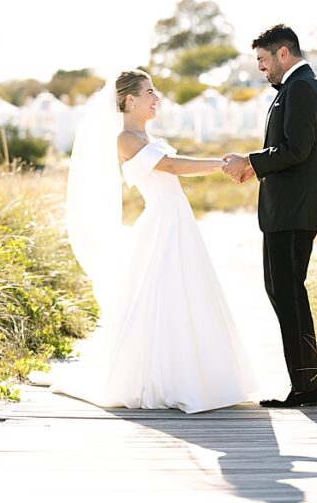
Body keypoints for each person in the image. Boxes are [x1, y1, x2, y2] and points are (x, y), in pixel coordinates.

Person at [55, 69, 257, 413]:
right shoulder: (125, 139)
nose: (156, 98)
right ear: (129, 100)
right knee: (162, 296)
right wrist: (222, 164)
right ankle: (166, 377)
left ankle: (193, 374)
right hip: (161, 223)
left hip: (177, 220)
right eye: (149, 92)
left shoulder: (144, 135)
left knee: (187, 294)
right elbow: (171, 166)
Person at [222, 24, 317, 408]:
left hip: (294, 209)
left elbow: (297, 149)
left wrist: (251, 160)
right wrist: (257, 166)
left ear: (283, 54)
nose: (260, 68)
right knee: (284, 292)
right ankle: (311, 380)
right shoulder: (296, 86)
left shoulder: (302, 87)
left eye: (262, 59)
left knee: (287, 294)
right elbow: (290, 149)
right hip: (288, 208)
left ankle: (306, 387)